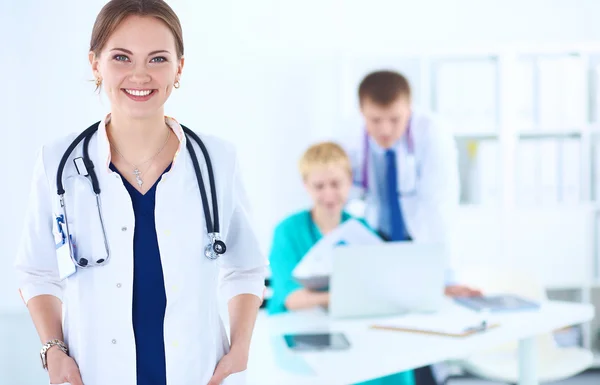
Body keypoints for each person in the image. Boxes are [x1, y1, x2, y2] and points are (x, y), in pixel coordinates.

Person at [14, 1, 267, 385]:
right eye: (121, 57)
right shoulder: (57, 163)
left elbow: (246, 269)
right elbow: (37, 272)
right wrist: (53, 350)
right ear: (95, 63)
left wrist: (241, 346)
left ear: (179, 67)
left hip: (197, 372)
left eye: (158, 59)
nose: (140, 74)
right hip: (95, 373)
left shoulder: (217, 160)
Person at [344, 70, 482, 385]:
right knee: (379, 328)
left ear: (410, 109)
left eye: (395, 119)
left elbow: (438, 207)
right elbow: (345, 192)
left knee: (422, 328)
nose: (385, 129)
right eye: (375, 120)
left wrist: (444, 275)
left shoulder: (432, 133)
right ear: (361, 112)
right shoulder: (349, 133)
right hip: (376, 236)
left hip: (420, 237)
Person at [267, 142, 415, 385]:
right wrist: (345, 297)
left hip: (349, 327)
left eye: (336, 184)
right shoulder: (288, 231)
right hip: (302, 334)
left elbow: (380, 285)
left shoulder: (360, 230)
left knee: (396, 365)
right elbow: (291, 298)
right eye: (319, 186)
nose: (329, 194)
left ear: (349, 182)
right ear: (306, 186)